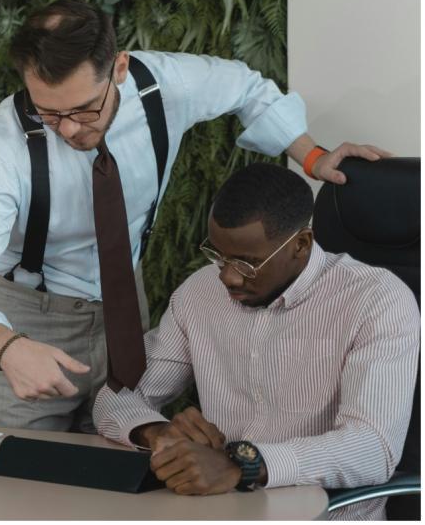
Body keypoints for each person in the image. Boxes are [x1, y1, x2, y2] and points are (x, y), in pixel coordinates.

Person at [0, 0, 390, 431]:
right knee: (26, 486)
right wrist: (8, 348)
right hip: (27, 316)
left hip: (126, 309)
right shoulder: (4, 144)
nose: (68, 128)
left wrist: (312, 157)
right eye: (50, 114)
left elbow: (250, 90)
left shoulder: (164, 85)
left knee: (124, 464)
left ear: (120, 67)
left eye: (85, 109)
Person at [93, 162, 419, 520]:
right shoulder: (200, 293)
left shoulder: (376, 300)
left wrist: (244, 465)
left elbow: (372, 449)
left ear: (301, 244)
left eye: (248, 264)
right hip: (220, 508)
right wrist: (160, 434)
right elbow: (118, 396)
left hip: (324, 514)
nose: (229, 278)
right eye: (218, 255)